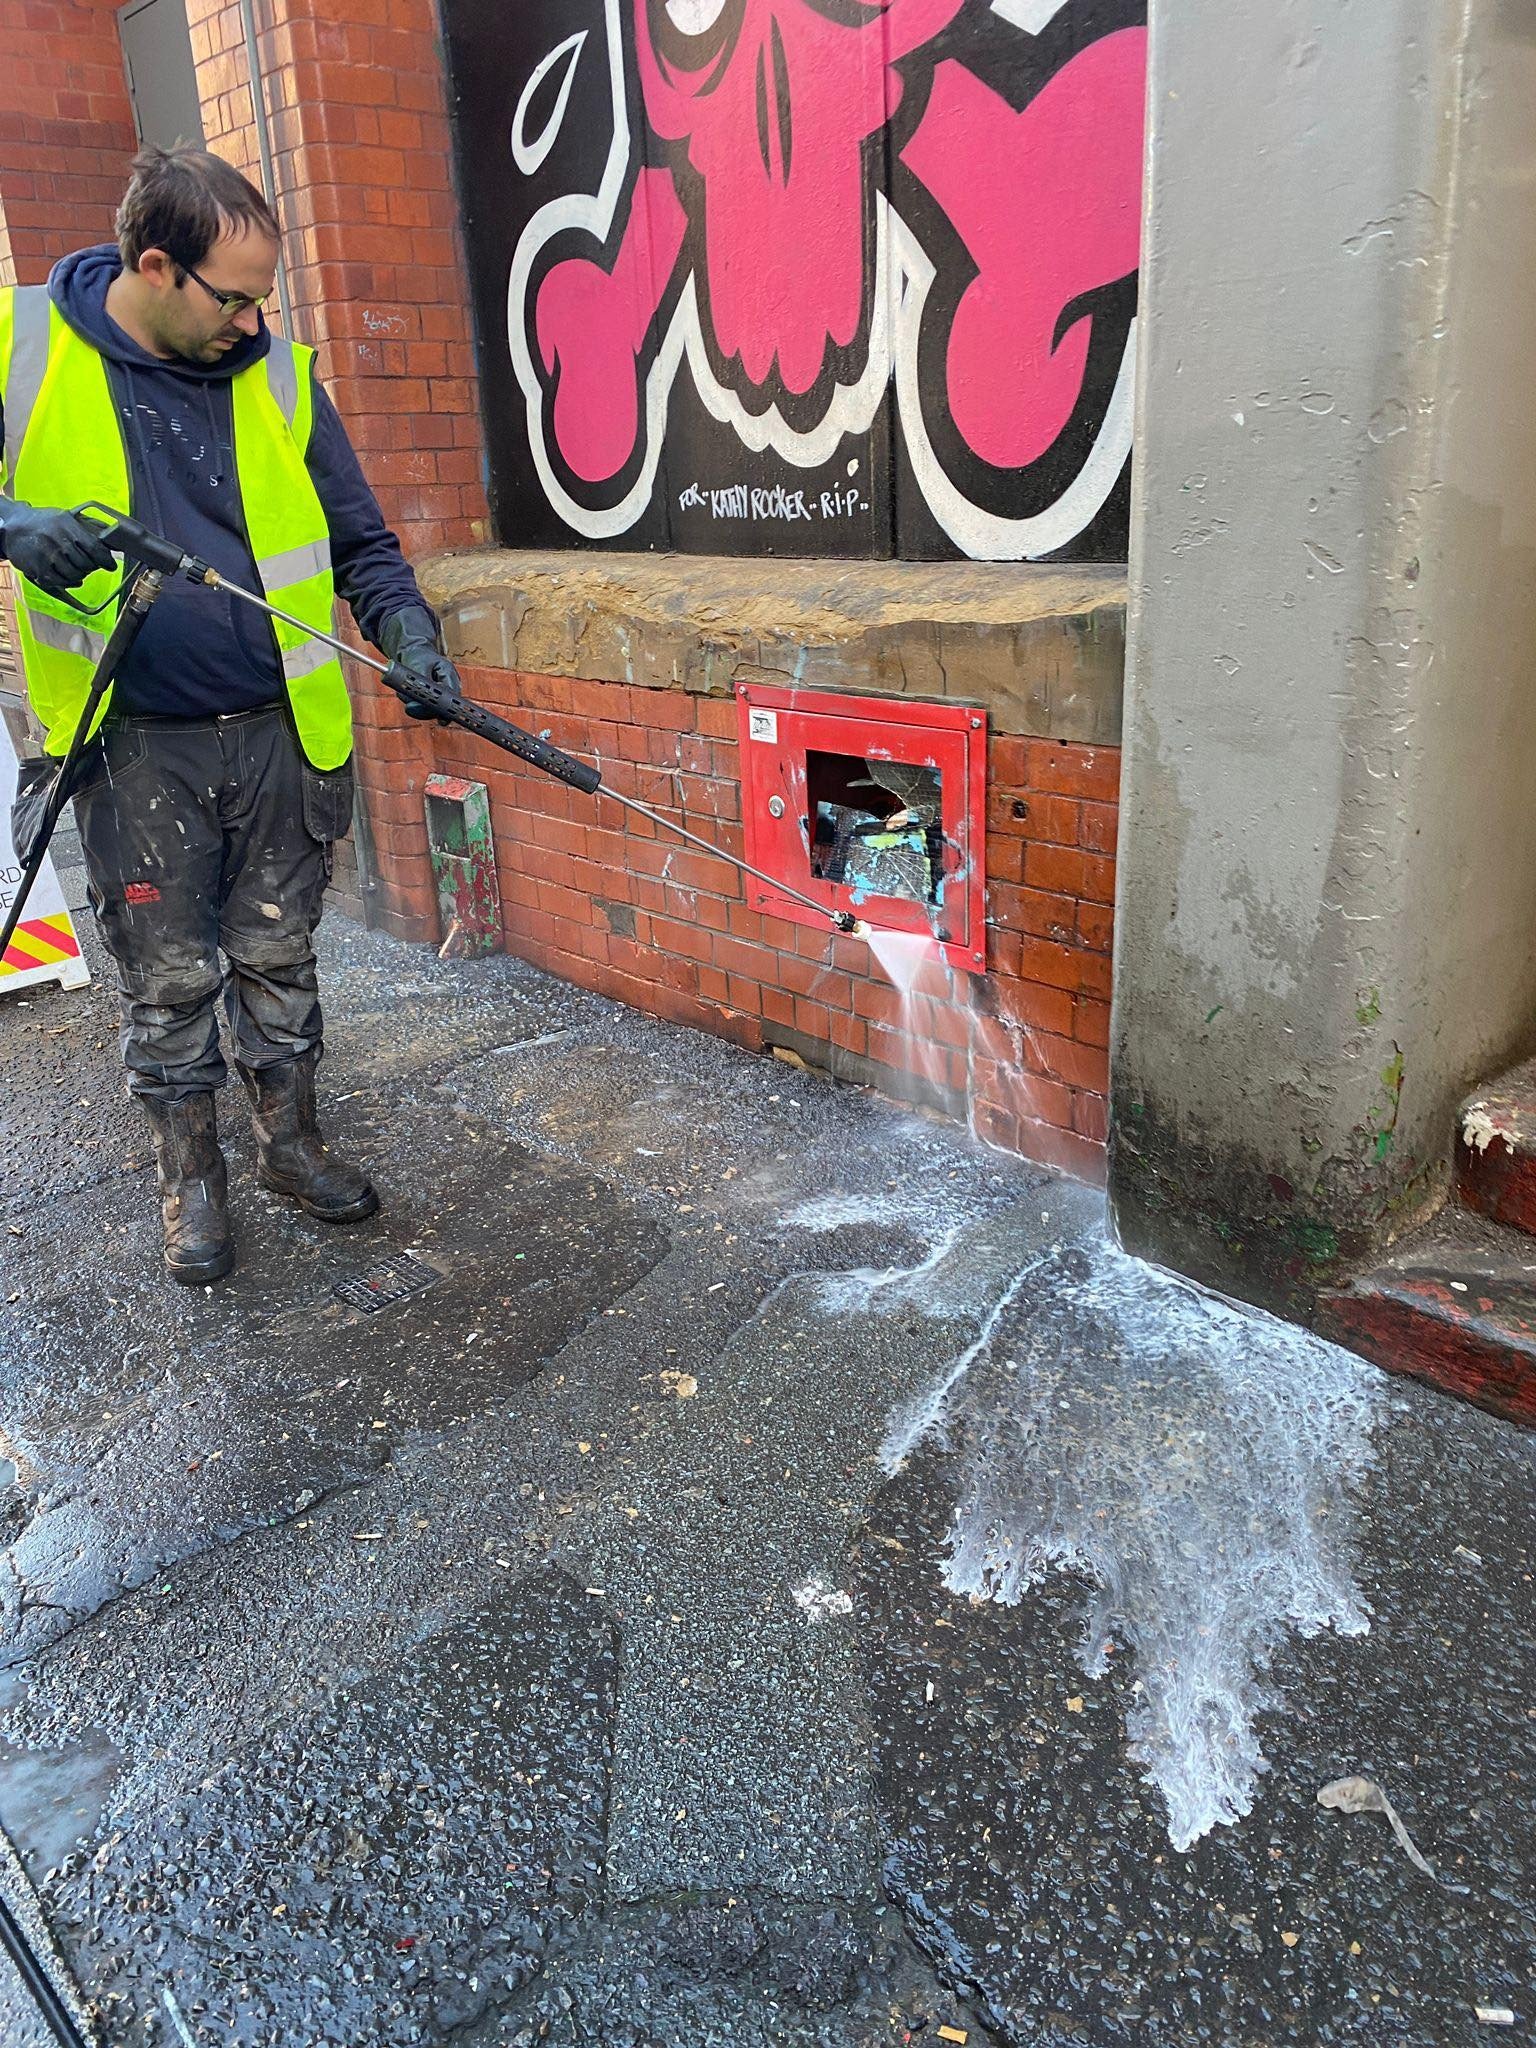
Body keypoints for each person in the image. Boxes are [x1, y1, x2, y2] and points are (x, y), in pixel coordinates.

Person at [0, 144, 462, 1286]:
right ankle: (190, 1179)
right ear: (155, 264)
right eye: (237, 296)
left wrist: (410, 634)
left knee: (277, 954)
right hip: (128, 750)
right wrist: (11, 523)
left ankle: (291, 1144)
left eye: (267, 298)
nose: (257, 323)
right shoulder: (24, 348)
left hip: (276, 734)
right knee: (166, 982)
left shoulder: (281, 377)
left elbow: (362, 545)